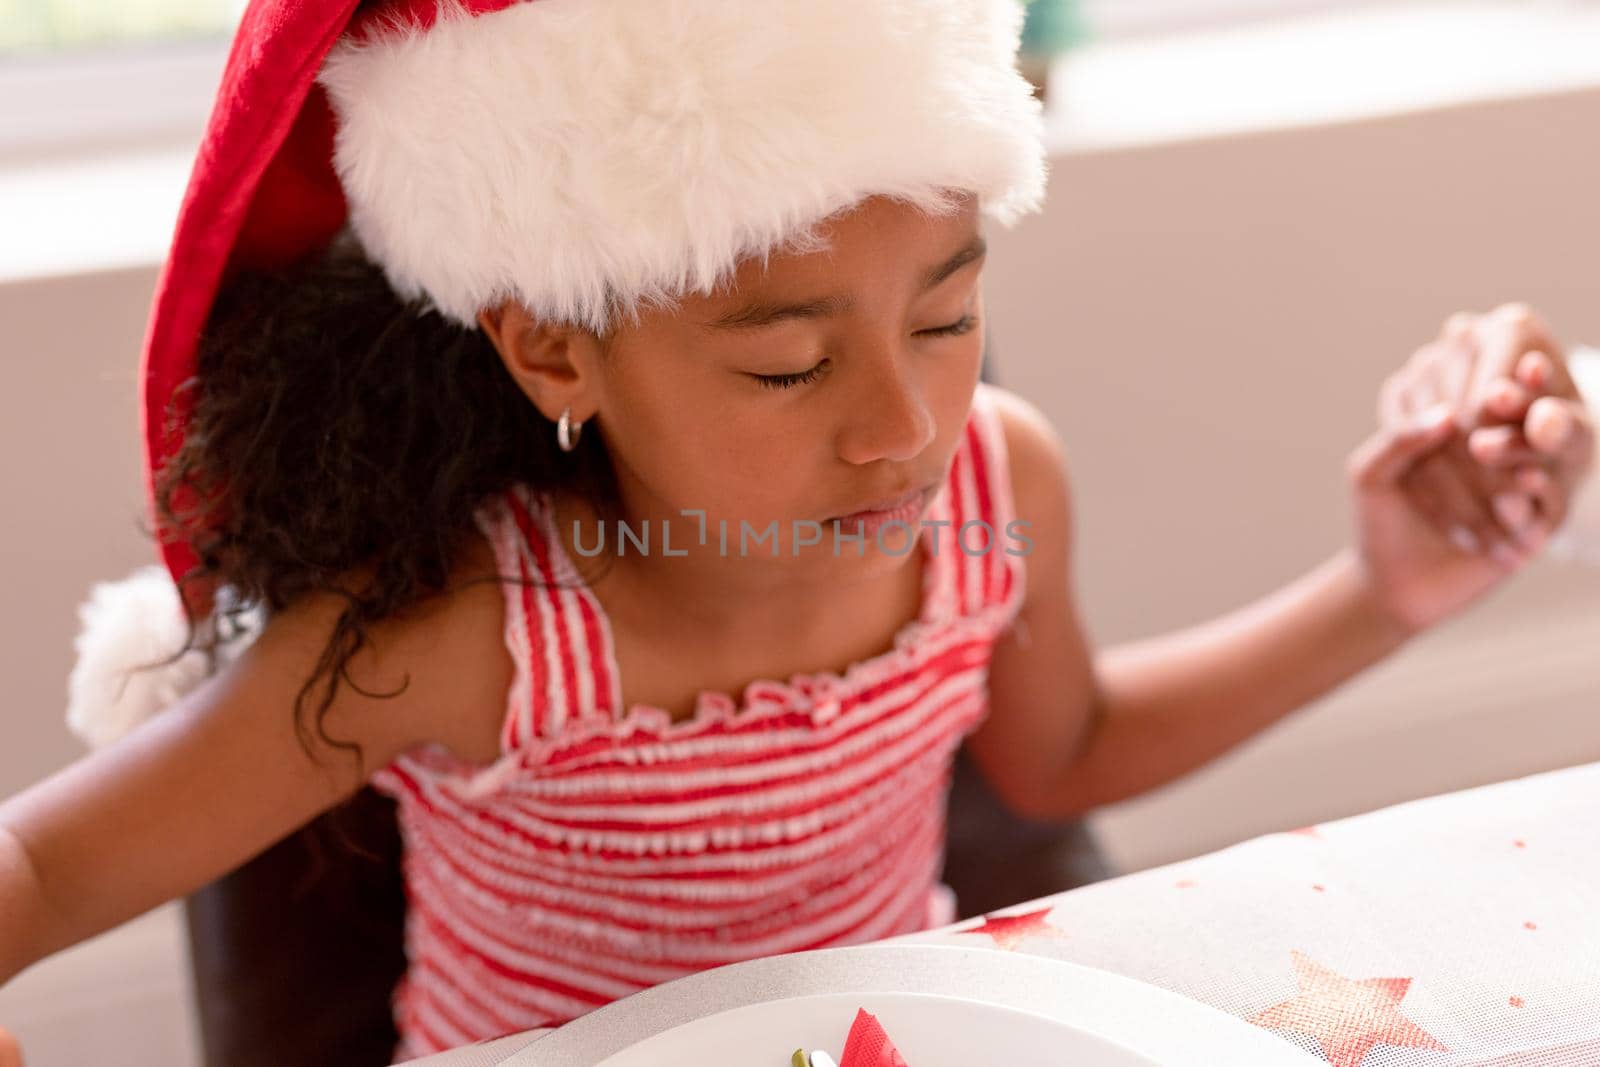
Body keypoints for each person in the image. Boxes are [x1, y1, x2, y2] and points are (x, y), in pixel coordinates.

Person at [0, 1, 1594, 1063]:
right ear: (554, 347)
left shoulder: (991, 484)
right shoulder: (470, 629)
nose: (901, 424)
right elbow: (42, 873)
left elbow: (1066, 753)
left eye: (950, 313)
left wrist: (1383, 593)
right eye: (788, 362)